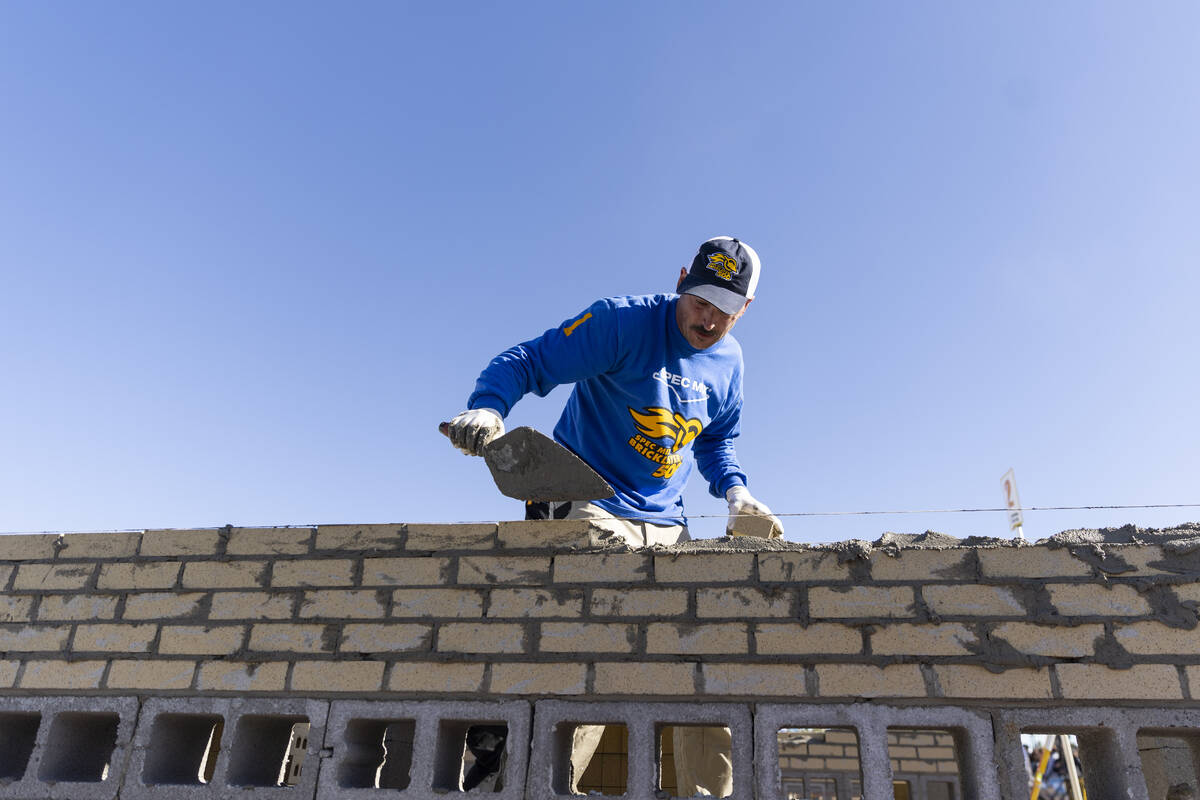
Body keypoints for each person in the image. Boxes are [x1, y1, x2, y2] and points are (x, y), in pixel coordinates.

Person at [444, 236, 783, 796]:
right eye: (700, 301)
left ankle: (710, 793)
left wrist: (737, 491)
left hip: (666, 522)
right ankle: (532, 780)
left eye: (724, 310)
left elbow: (718, 441)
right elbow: (529, 360)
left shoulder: (730, 364)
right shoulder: (621, 322)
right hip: (586, 498)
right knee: (604, 631)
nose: (708, 319)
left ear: (746, 308)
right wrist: (488, 405)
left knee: (700, 645)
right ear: (680, 280)